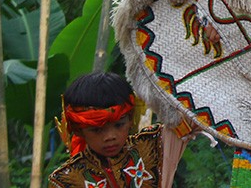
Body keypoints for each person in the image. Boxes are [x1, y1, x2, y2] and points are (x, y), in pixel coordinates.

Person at [48, 72, 188, 188]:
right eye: (97, 130)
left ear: (130, 118)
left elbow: (192, 115)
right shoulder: (64, 181)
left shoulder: (154, 145)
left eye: (119, 125)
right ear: (78, 130)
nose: (110, 136)